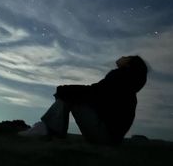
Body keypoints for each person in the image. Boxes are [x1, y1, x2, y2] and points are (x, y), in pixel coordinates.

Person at [19, 55, 148, 145]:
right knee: (70, 94)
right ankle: (47, 130)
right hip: (112, 139)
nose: (123, 56)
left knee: (68, 96)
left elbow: (93, 92)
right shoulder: (126, 84)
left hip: (105, 137)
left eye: (127, 57)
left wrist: (63, 90)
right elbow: (97, 97)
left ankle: (46, 131)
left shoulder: (120, 78)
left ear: (128, 63)